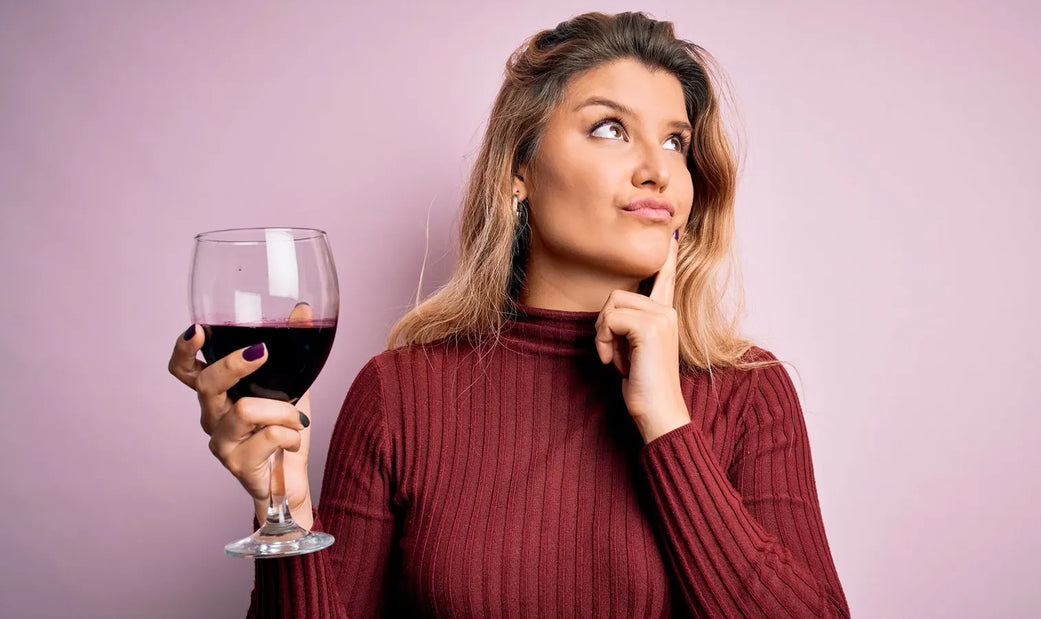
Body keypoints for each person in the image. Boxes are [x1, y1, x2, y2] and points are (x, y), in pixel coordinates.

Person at [169, 11, 850, 618]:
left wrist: (666, 421)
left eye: (676, 141)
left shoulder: (750, 393)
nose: (658, 169)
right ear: (516, 172)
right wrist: (284, 504)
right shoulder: (399, 395)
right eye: (612, 128)